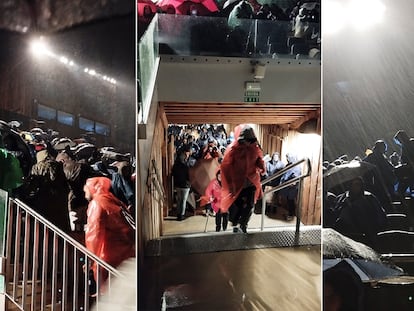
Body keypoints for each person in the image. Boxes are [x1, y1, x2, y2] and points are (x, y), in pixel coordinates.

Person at [83, 177, 135, 291]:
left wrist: (90, 260)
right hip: (126, 252)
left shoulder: (97, 203)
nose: (85, 192)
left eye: (86, 189)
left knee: (108, 289)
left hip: (109, 254)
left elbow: (94, 234)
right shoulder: (113, 200)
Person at [220, 124, 265, 233]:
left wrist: (262, 167)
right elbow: (227, 165)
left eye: (249, 140)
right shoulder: (234, 150)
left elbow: (259, 160)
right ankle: (236, 221)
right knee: (237, 203)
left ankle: (243, 224)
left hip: (251, 182)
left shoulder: (255, 149)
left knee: (249, 205)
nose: (247, 142)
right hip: (238, 182)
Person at [333, 177, 387, 249]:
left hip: (367, 234)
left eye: (360, 184)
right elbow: (335, 216)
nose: (358, 187)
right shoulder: (341, 199)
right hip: (346, 234)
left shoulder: (369, 198)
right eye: (355, 184)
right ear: (349, 185)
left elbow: (380, 216)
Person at [172, 146, 192, 221]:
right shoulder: (186, 166)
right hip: (185, 185)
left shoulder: (176, 165)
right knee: (184, 200)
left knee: (179, 200)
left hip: (178, 185)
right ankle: (182, 215)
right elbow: (189, 176)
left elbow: (173, 173)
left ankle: (178, 214)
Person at [279, 153, 301, 221]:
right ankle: (289, 213)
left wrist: (291, 183)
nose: (287, 159)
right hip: (286, 186)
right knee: (288, 200)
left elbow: (295, 177)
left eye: (288, 158)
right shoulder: (289, 165)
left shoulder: (296, 166)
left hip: (291, 188)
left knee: (291, 201)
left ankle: (291, 214)